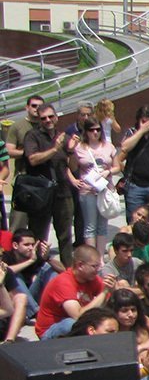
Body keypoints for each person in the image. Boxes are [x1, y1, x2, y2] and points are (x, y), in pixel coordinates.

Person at [22, 103, 79, 266]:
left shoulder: (64, 137)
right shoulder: (32, 136)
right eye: (43, 118)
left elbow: (74, 167)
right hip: (41, 194)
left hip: (62, 191)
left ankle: (67, 270)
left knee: (65, 235)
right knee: (38, 236)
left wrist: (71, 151)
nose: (47, 120)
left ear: (56, 117)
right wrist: (55, 149)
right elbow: (32, 159)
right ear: (39, 120)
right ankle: (37, 269)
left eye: (50, 116)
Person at [35, 245, 116, 340]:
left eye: (99, 265)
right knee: (71, 324)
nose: (98, 269)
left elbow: (109, 302)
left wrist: (112, 290)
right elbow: (78, 316)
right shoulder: (63, 282)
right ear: (80, 265)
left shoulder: (91, 278)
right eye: (94, 266)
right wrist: (104, 292)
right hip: (50, 331)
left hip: (80, 324)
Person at [71, 118, 118, 255]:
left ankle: (101, 257)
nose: (95, 132)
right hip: (88, 190)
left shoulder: (108, 146)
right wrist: (73, 180)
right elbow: (71, 167)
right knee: (90, 226)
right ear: (86, 132)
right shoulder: (79, 148)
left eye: (98, 129)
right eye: (92, 130)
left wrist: (108, 172)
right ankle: (92, 257)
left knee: (102, 226)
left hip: (104, 189)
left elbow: (117, 167)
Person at [6, 95, 45, 231]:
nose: (37, 109)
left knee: (40, 224)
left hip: (42, 179)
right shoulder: (17, 126)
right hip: (23, 179)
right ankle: (11, 245)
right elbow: (9, 151)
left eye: (40, 106)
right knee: (18, 222)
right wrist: (28, 153)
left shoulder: (45, 125)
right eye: (34, 106)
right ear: (27, 107)